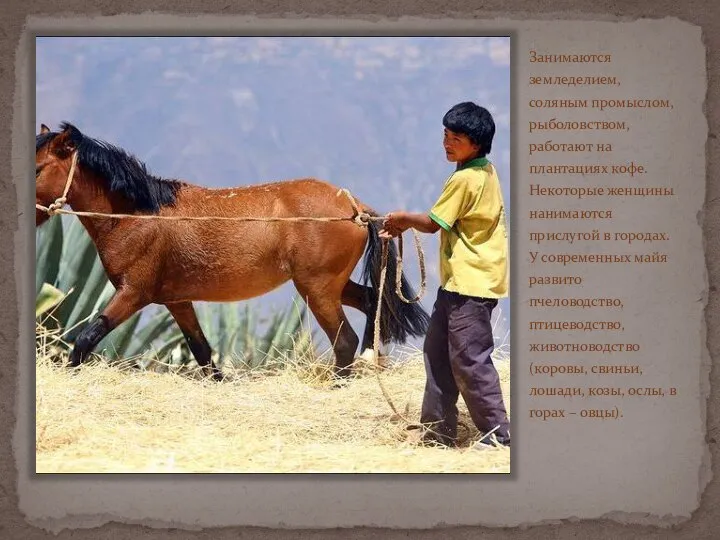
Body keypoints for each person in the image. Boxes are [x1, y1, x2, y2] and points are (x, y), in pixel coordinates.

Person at [379, 101, 511, 449]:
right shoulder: (484, 170)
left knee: (470, 360)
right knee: (437, 354)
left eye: (457, 138)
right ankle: (437, 433)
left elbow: (435, 224)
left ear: (477, 144)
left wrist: (402, 219)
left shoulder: (466, 179)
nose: (447, 143)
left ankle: (498, 437)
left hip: (471, 283)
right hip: (460, 283)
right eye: (446, 135)